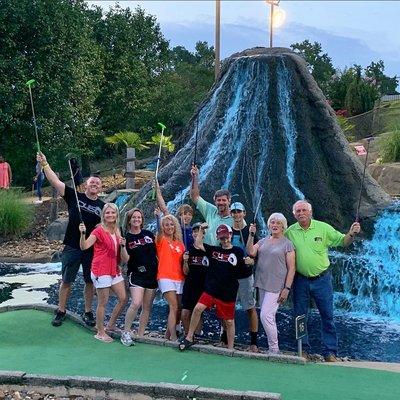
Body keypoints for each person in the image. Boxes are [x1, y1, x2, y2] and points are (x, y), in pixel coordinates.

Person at [285, 200, 361, 362]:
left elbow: (343, 241)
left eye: (304, 210)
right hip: (300, 280)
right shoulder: (290, 232)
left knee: (327, 315)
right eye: (298, 211)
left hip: (322, 280)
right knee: (300, 316)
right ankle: (303, 349)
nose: (301, 213)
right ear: (293, 214)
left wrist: (352, 233)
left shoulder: (323, 228)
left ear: (310, 212)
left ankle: (330, 352)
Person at [37, 152, 105, 327]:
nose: (94, 185)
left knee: (90, 281)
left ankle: (88, 312)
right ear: (87, 185)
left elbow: (110, 227)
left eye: (97, 183)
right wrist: (45, 164)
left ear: (101, 188)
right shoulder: (75, 196)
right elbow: (56, 182)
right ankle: (61, 310)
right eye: (91, 183)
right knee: (67, 280)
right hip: (72, 246)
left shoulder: (104, 207)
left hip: (91, 248)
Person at [179, 224, 254, 351]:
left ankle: (230, 348)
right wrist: (202, 230)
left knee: (229, 321)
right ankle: (189, 337)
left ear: (230, 235)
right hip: (211, 289)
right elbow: (198, 244)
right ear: (218, 238)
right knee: (197, 308)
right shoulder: (213, 250)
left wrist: (250, 263)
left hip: (228, 292)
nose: (224, 240)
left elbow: (244, 272)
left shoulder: (238, 251)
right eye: (222, 237)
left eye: (226, 237)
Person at [79, 203, 128, 343]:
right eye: (107, 213)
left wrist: (123, 246)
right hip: (101, 270)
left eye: (113, 213)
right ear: (103, 215)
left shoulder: (117, 229)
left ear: (117, 214)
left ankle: (110, 325)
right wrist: (82, 233)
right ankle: (100, 332)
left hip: (114, 269)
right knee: (103, 302)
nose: (110, 215)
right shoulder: (98, 231)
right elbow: (84, 246)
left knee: (123, 298)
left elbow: (122, 253)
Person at [247, 213, 295, 354]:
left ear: (283, 226)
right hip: (262, 283)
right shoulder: (262, 241)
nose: (275, 225)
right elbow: (250, 252)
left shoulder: (288, 244)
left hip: (277, 285)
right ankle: (272, 348)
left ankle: (274, 349)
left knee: (265, 316)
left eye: (278, 223)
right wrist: (251, 235)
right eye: (272, 222)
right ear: (269, 225)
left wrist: (287, 288)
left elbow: (292, 268)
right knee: (269, 316)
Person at [120, 208, 158, 346]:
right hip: (136, 274)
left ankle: (141, 334)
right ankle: (126, 332)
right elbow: (125, 259)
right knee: (136, 303)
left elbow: (156, 251)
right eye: (134, 217)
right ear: (129, 220)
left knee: (147, 306)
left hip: (152, 274)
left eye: (139, 217)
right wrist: (123, 247)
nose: (137, 219)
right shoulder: (126, 238)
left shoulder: (148, 234)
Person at [229, 201, 259, 352]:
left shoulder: (250, 231)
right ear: (230, 214)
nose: (236, 214)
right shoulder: (227, 231)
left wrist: (252, 260)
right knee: (228, 307)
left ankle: (253, 342)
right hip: (229, 277)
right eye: (233, 212)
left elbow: (256, 254)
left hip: (246, 277)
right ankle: (225, 338)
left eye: (239, 211)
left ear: (244, 213)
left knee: (250, 307)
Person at [156, 213, 185, 341]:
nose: (169, 227)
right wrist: (158, 217)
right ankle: (173, 336)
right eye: (166, 225)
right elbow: (158, 230)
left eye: (172, 224)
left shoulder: (180, 244)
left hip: (179, 278)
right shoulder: (161, 240)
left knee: (178, 308)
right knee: (173, 306)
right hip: (165, 277)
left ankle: (167, 335)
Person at [190, 165, 233, 246]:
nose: (221, 202)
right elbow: (194, 196)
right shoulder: (210, 210)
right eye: (218, 200)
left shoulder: (235, 218)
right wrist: (195, 178)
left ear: (229, 201)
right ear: (214, 200)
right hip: (206, 252)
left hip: (222, 254)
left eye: (224, 200)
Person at [181, 222, 209, 335]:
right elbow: (185, 272)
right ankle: (188, 336)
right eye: (194, 231)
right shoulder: (187, 250)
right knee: (185, 313)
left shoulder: (208, 249)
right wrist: (185, 261)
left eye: (199, 231)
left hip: (203, 286)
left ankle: (197, 336)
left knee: (198, 313)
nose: (196, 233)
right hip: (189, 285)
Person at [155, 182, 194, 249]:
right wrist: (157, 190)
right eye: (184, 214)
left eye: (189, 214)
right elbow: (165, 210)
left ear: (192, 217)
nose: (187, 216)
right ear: (179, 215)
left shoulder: (194, 230)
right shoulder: (175, 227)